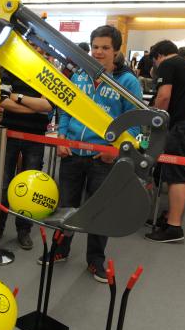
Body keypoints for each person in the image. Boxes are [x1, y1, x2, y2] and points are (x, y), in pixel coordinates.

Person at [45, 25, 142, 283]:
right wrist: (62, 138)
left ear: (116, 50)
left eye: (105, 48)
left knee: (100, 210)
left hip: (104, 158)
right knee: (66, 206)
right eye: (95, 46)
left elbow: (133, 121)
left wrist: (115, 150)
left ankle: (95, 260)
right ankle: (60, 249)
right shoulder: (79, 75)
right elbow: (66, 109)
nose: (98, 52)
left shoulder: (127, 80)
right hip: (72, 154)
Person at [0, 64, 51, 250]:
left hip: (36, 137)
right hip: (8, 135)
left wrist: (17, 97)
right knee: (2, 184)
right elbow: (2, 101)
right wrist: (34, 107)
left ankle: (24, 230)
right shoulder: (9, 70)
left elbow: (48, 105)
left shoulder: (48, 74)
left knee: (30, 187)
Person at [144, 40, 185, 243]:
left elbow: (163, 97)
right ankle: (172, 216)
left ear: (158, 56)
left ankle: (174, 227)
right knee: (182, 173)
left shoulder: (168, 64)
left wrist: (151, 119)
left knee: (175, 175)